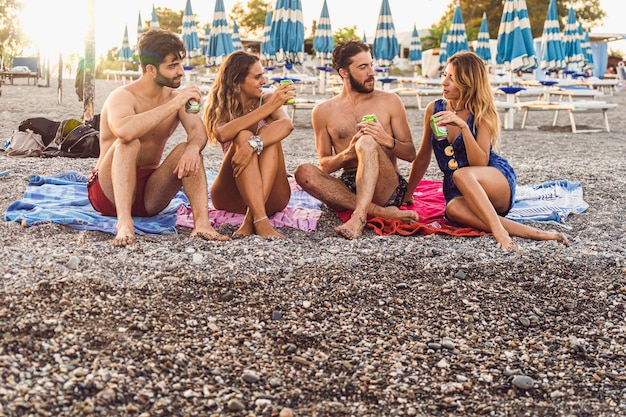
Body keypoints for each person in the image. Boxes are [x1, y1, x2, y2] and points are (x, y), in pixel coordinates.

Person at [403, 51, 569, 250]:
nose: (444, 83)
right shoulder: (434, 109)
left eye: (452, 78)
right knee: (452, 210)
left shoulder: (482, 111)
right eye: (444, 75)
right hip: (457, 189)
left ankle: (499, 232)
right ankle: (536, 233)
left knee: (462, 174)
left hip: (493, 180)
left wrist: (464, 128)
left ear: (469, 82)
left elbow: (479, 163)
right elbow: (422, 157)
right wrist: (405, 198)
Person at [87, 29, 229, 247]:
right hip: (108, 194)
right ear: (151, 70)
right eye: (172, 66)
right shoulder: (122, 96)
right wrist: (173, 103)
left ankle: (202, 224)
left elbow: (197, 131)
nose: (180, 71)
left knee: (187, 147)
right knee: (129, 141)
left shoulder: (179, 97)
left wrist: (192, 149)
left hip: (149, 196)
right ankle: (124, 223)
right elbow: (125, 131)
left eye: (180, 64)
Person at [294, 39, 418, 240]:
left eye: (371, 64)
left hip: (386, 185)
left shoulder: (390, 101)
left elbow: (411, 154)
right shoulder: (323, 111)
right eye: (363, 67)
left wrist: (386, 140)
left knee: (367, 141)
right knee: (303, 172)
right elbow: (325, 165)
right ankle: (381, 212)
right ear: (344, 72)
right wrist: (347, 154)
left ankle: (359, 216)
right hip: (349, 184)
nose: (371, 72)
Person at [203, 51, 296, 238]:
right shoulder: (222, 107)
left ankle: (252, 219)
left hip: (272, 197)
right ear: (237, 81)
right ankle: (260, 221)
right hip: (230, 194)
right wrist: (266, 111)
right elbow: (222, 134)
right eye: (257, 77)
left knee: (268, 137)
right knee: (242, 135)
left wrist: (253, 144)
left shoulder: (268, 98)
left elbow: (287, 125)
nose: (264, 81)